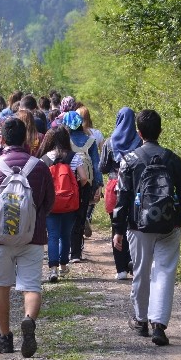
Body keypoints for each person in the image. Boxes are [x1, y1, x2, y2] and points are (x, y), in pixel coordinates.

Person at [112, 109, 181, 345]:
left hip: (138, 225)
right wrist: (179, 218)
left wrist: (118, 228)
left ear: (139, 133)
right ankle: (159, 325)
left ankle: (141, 320)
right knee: (164, 273)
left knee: (141, 271)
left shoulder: (129, 160)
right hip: (169, 224)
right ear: (161, 130)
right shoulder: (172, 159)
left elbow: (123, 198)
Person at [0, 118, 54, 357]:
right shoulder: (39, 167)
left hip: (1, 238)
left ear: (1, 138)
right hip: (32, 236)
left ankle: (4, 339)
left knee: (1, 286)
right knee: (31, 286)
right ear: (25, 138)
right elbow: (49, 201)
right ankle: (29, 319)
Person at [36, 126, 88, 283]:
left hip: (51, 203)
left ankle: (52, 269)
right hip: (69, 202)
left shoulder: (44, 159)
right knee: (65, 235)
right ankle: (63, 266)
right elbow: (84, 178)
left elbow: (39, 180)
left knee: (52, 235)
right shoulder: (74, 157)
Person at [100, 107, 142, 280]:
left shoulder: (109, 142)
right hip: (134, 187)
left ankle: (120, 269)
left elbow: (102, 167)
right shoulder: (139, 142)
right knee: (133, 224)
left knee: (116, 226)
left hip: (114, 185)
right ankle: (133, 263)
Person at [63, 111, 103, 264]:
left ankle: (66, 251)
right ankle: (76, 253)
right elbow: (96, 164)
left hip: (68, 182)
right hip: (86, 183)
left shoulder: (65, 141)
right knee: (81, 215)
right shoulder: (91, 141)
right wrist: (98, 185)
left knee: (68, 216)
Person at [77, 105, 104, 238]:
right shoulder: (96, 133)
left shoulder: (75, 135)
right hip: (92, 169)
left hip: (77, 169)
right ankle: (87, 216)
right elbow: (102, 152)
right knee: (91, 197)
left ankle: (81, 218)